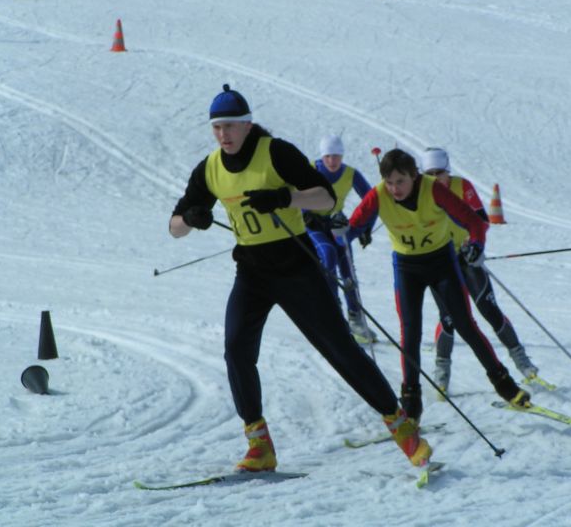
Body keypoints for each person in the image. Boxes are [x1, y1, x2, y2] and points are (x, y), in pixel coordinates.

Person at [168, 84, 432, 471]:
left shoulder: (276, 152)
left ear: (247, 125)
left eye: (231, 126)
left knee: (340, 349)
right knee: (236, 349)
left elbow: (326, 199)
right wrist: (191, 219)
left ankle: (404, 431)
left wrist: (283, 198)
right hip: (252, 272)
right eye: (217, 127)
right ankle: (260, 446)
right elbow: (173, 227)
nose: (224, 134)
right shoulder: (209, 169)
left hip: (296, 266)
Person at [349, 148, 530, 423]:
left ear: (414, 176)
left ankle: (506, 385)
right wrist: (339, 232)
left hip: (441, 264)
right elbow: (350, 228)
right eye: (390, 182)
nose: (395, 188)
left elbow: (474, 223)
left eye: (401, 181)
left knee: (466, 324)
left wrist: (476, 246)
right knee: (410, 334)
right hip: (407, 269)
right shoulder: (378, 194)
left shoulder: (433, 189)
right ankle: (411, 403)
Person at [420, 147, 539, 395]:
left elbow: (482, 221)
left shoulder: (463, 186)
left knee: (488, 309)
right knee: (448, 317)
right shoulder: (419, 192)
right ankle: (442, 371)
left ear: (447, 171)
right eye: (429, 173)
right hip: (441, 261)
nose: (435, 178)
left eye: (439, 173)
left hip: (467, 257)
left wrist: (475, 245)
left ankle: (522, 361)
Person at [303, 134, 376, 344]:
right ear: (322, 157)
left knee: (348, 269)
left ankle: (355, 318)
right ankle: (333, 315)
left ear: (342, 156)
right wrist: (305, 212)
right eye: (328, 157)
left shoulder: (351, 173)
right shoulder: (311, 169)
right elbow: (292, 193)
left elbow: (372, 201)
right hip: (314, 226)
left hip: (336, 224)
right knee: (328, 255)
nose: (332, 162)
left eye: (336, 157)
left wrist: (365, 228)